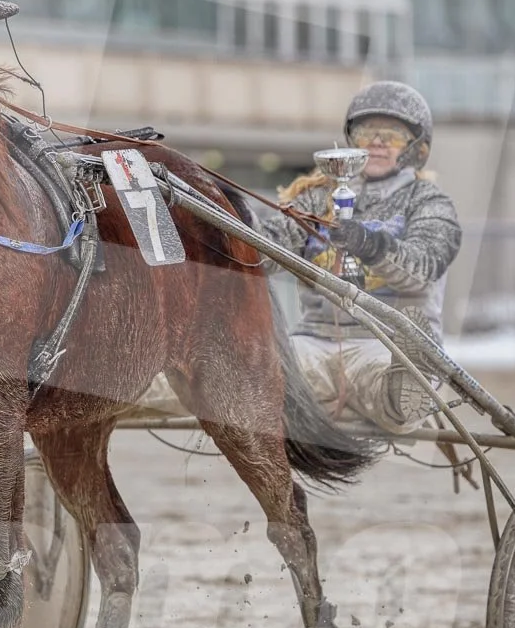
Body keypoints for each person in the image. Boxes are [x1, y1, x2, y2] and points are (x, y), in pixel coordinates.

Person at [136, 81, 463, 434]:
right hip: (314, 344)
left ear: (416, 148)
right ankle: (132, 384)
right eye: (369, 132)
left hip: (386, 344)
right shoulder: (315, 199)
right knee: (242, 375)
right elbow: (262, 253)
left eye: (392, 134)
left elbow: (423, 271)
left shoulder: (430, 203)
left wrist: (370, 243)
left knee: (383, 384)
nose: (379, 142)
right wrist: (217, 218)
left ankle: (406, 389)